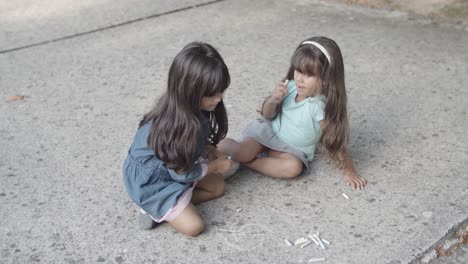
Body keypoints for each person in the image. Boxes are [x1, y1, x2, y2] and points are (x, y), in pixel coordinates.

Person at [218, 36, 367, 190]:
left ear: (326, 79)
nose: (300, 79)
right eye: (298, 71)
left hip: (291, 149)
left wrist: (349, 170)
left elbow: (335, 140)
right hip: (267, 132)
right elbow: (267, 115)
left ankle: (247, 162)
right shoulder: (289, 87)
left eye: (309, 75)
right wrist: (274, 100)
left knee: (293, 168)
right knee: (241, 151)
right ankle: (212, 147)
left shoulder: (318, 107)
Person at [123, 42, 236, 236]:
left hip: (176, 168)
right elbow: (180, 173)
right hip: (152, 185)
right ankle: (152, 208)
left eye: (221, 91)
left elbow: (193, 148)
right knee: (194, 227)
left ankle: (178, 204)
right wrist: (215, 167)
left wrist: (208, 150)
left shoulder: (192, 108)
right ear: (189, 91)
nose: (218, 98)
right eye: (212, 93)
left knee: (217, 188)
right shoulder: (174, 127)